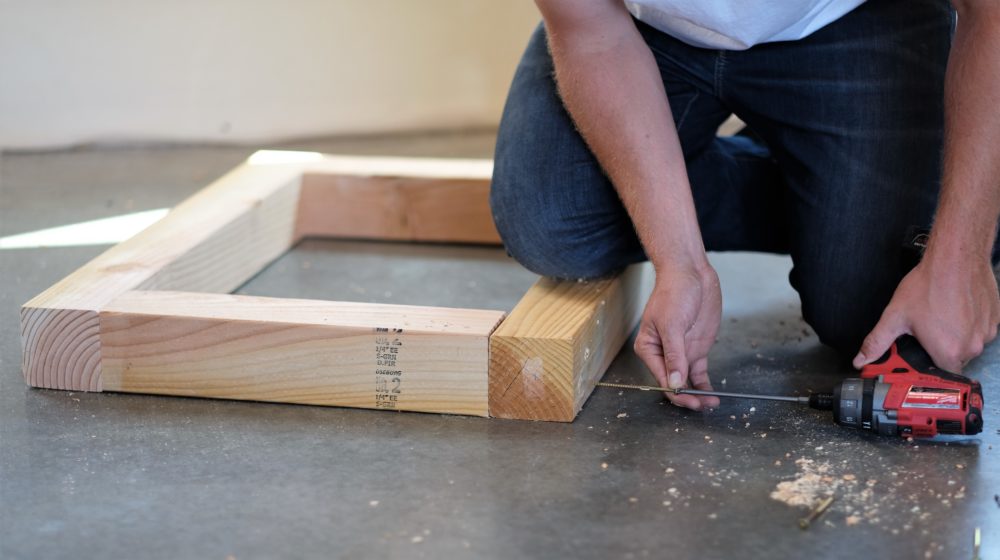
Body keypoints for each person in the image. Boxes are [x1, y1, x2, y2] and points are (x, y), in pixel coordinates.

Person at [490, 0, 1000, 410]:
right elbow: (591, 33)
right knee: (554, 219)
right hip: (645, 31)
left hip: (855, 19)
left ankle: (904, 200)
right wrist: (680, 262)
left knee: (871, 315)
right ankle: (825, 198)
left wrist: (963, 253)